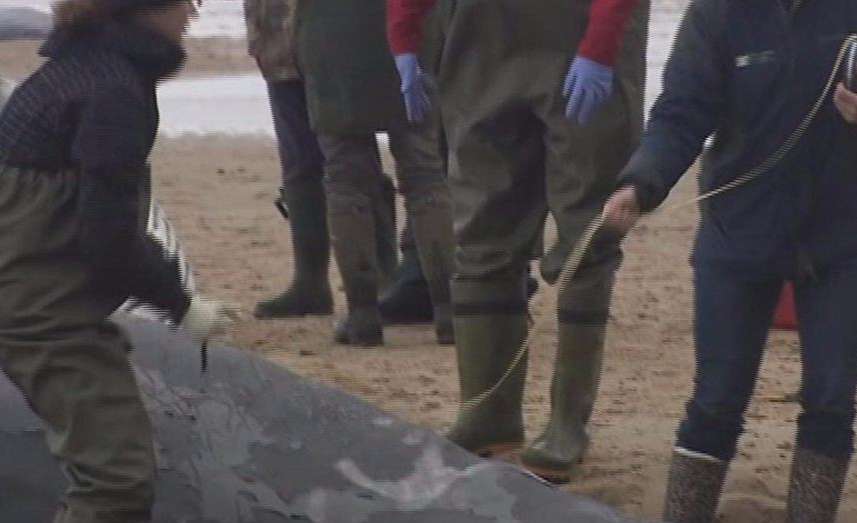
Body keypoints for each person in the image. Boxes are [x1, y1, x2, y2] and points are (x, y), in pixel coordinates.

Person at [603, 0, 857, 523]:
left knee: (831, 400)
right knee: (717, 399)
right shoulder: (717, 16)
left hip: (842, 236)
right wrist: (640, 186)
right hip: (739, 233)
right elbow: (680, 115)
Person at [0, 0, 241, 523]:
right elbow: (107, 241)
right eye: (180, 1)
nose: (193, 11)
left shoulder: (64, 74)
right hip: (32, 308)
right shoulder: (114, 92)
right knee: (116, 481)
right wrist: (182, 303)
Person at [388, 0, 649, 483]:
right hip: (477, 39)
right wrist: (404, 36)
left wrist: (602, 41)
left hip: (584, 28)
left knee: (587, 229)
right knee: (481, 224)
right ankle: (488, 410)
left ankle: (568, 421)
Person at [296, 0, 456, 346]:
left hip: (332, 32)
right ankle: (449, 309)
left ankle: (362, 312)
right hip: (411, 28)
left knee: (345, 178)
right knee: (424, 170)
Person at [244, 0, 399, 319]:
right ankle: (311, 280)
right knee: (302, 155)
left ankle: (378, 275)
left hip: (334, 30)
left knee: (348, 148)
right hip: (282, 32)